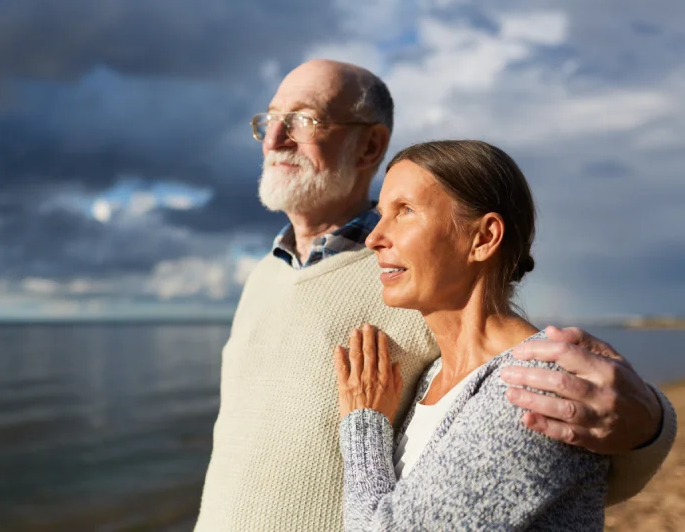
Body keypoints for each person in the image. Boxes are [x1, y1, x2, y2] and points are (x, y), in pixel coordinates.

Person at [193, 59, 676, 532]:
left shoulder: (415, 279)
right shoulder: (264, 275)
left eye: (303, 120)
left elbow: (569, 437)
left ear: (370, 146)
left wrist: (651, 424)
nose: (276, 139)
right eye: (271, 119)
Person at [335, 140, 605, 530]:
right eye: (381, 214)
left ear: (483, 238)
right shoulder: (433, 376)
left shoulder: (538, 388)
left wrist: (364, 425)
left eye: (405, 211)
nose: (374, 238)